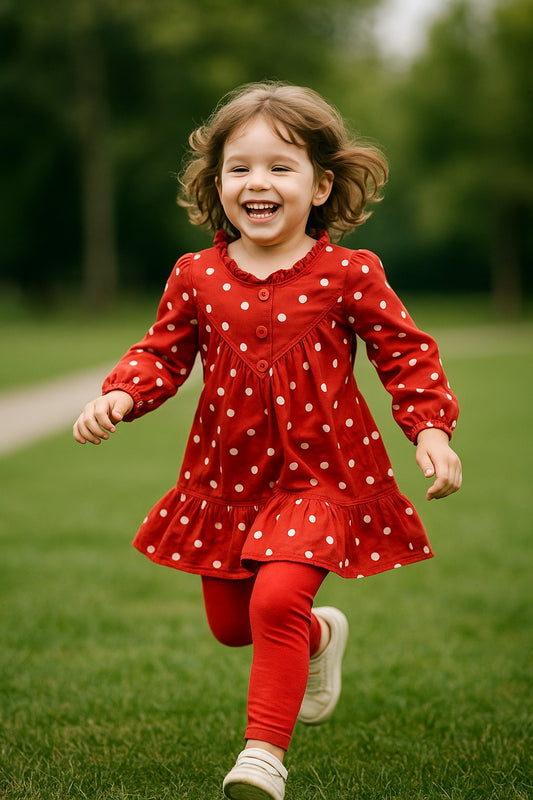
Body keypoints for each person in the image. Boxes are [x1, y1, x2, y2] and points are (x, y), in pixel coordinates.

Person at [73, 81, 462, 800]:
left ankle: (261, 757)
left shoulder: (349, 273)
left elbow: (405, 355)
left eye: (280, 167)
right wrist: (123, 393)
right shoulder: (195, 275)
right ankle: (318, 638)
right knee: (232, 624)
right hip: (227, 480)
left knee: (275, 599)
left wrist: (430, 429)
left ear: (319, 186)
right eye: (239, 167)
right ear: (215, 183)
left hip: (321, 477)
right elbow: (163, 352)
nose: (257, 182)